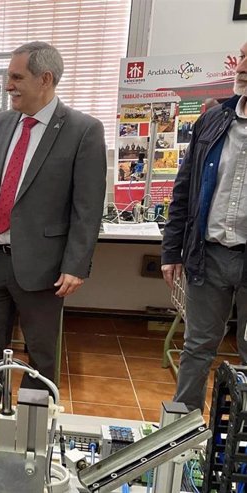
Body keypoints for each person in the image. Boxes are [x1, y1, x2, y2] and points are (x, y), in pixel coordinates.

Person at [0, 41, 107, 391]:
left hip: (43, 268)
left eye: (16, 77)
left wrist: (76, 264)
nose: (7, 86)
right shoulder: (0, 124)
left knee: (40, 357)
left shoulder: (83, 130)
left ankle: (32, 433)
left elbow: (87, 207)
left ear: (45, 79)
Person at [161, 42, 247, 412]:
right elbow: (185, 190)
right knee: (197, 347)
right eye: (242, 57)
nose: (241, 66)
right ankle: (184, 431)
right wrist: (171, 250)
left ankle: (236, 445)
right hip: (208, 254)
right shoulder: (213, 120)